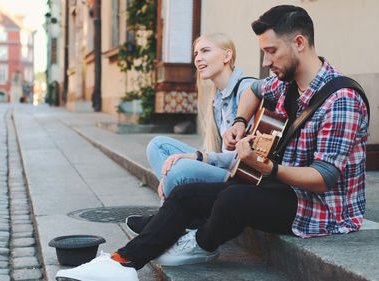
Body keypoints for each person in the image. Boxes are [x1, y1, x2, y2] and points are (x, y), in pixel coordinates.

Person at [55, 5, 369, 281]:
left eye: (271, 51)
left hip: (322, 209)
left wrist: (268, 167)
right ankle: (121, 263)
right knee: (185, 192)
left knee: (233, 200)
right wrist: (239, 122)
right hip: (283, 188)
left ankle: (201, 243)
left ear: (299, 43)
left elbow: (322, 179)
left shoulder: (340, 99)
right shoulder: (286, 81)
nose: (265, 59)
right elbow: (255, 91)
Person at [126, 32, 256, 234]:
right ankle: (175, 217)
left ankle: (162, 224)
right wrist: (168, 178)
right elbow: (216, 148)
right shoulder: (217, 97)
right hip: (223, 168)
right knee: (157, 145)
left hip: (238, 177)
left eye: (205, 51)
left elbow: (245, 157)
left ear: (226, 56)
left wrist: (198, 157)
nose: (198, 58)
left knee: (180, 169)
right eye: (196, 53)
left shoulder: (247, 89)